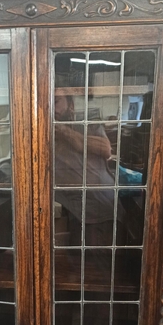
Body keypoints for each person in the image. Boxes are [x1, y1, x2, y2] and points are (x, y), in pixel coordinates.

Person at [53, 94, 126, 246]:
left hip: (101, 212)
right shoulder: (44, 131)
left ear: (70, 103)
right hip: (75, 211)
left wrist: (65, 132)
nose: (52, 108)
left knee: (97, 264)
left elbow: (105, 149)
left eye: (55, 101)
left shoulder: (87, 123)